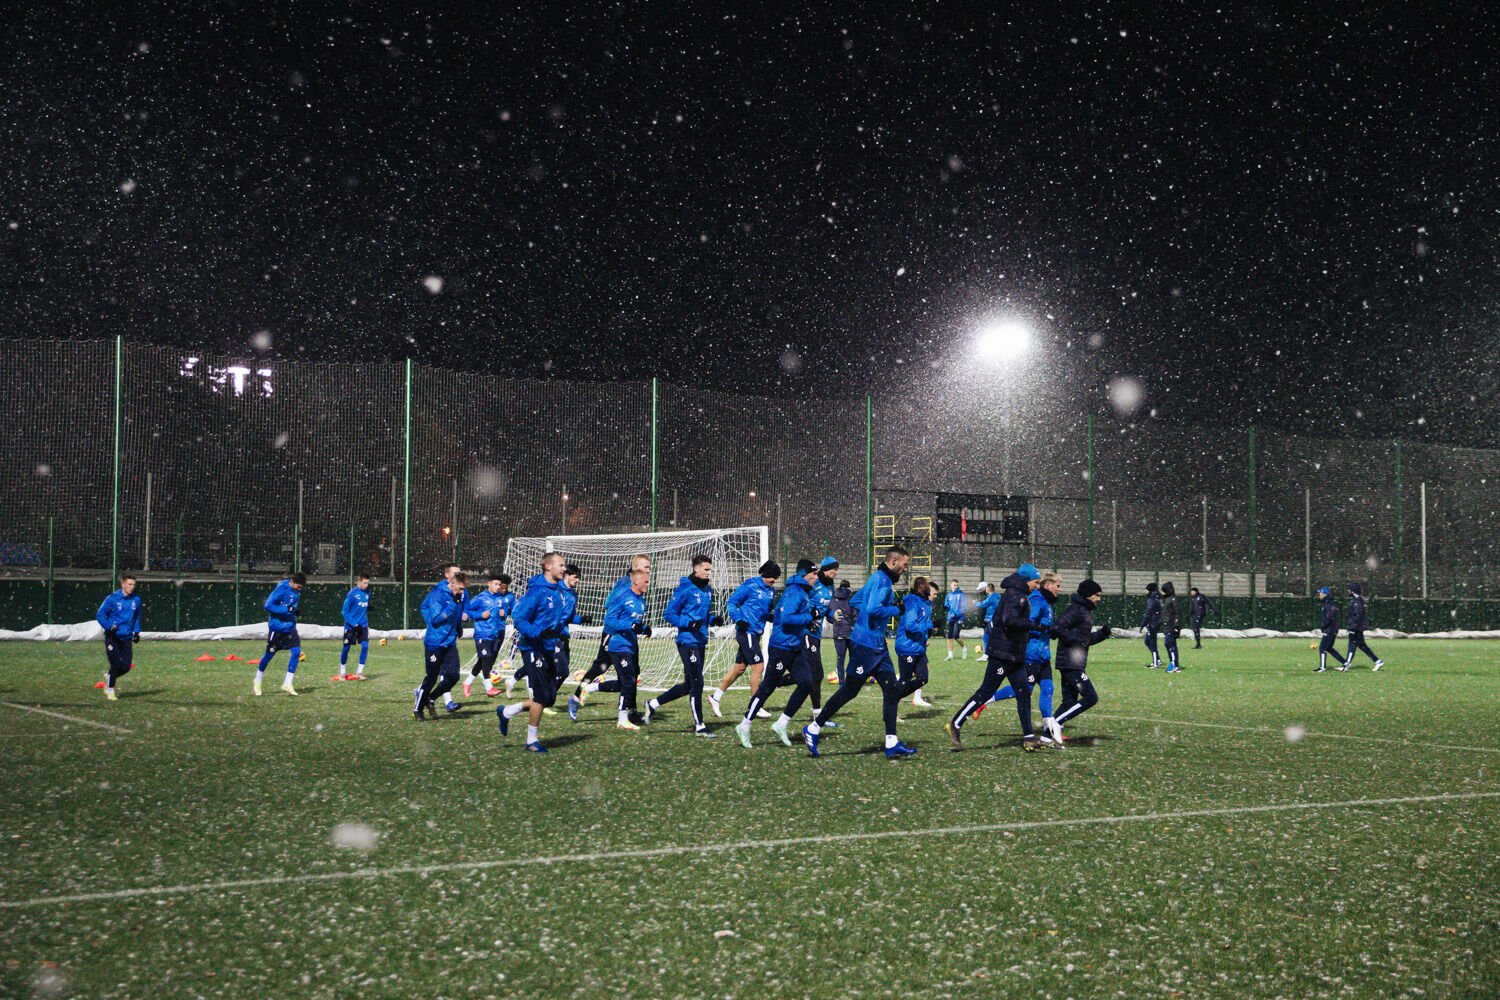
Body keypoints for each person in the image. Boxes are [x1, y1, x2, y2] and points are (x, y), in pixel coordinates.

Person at [802, 546, 916, 759]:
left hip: (877, 646)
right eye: (905, 564)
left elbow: (856, 602)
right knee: (850, 691)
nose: (906, 568)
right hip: (865, 646)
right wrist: (897, 610)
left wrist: (867, 622)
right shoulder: (883, 581)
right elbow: (873, 609)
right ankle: (813, 727)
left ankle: (891, 743)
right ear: (893, 561)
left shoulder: (878, 578)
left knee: (891, 689)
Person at [946, 564, 1042, 752]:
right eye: (1036, 582)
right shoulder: (1017, 595)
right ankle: (955, 723)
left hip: (1013, 654)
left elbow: (1012, 623)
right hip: (1003, 654)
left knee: (1023, 694)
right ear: (1026, 580)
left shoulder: (1017, 594)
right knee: (985, 692)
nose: (1037, 586)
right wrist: (1035, 627)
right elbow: (1010, 620)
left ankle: (1029, 737)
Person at [737, 558, 820, 748]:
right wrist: (809, 617)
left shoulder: (803, 591)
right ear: (803, 574)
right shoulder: (794, 592)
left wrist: (810, 620)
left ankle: (781, 723)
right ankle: (744, 725)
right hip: (781, 647)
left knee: (807, 683)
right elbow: (786, 618)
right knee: (767, 687)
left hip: (793, 646)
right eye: (813, 573)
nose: (816, 577)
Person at [976, 571, 1061, 744]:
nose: (1059, 589)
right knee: (1024, 691)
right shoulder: (1037, 600)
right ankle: (985, 701)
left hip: (1043, 655)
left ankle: (1048, 731)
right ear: (1047, 585)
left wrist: (1051, 631)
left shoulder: (1045, 602)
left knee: (1048, 689)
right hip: (1031, 655)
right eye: (1057, 586)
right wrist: (1043, 629)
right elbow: (1025, 624)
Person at [496, 552, 569, 752]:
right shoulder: (537, 591)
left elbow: (553, 621)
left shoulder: (557, 591)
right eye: (561, 565)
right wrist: (537, 632)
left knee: (549, 698)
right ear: (547, 567)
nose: (564, 569)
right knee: (541, 697)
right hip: (532, 648)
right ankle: (531, 741)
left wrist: (561, 632)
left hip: (548, 647)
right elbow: (519, 619)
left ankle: (508, 712)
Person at [644, 554, 720, 736]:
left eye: (710, 569)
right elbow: (669, 614)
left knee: (689, 685)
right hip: (687, 641)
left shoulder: (708, 591)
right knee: (697, 682)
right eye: (706, 569)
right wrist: (688, 624)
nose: (709, 573)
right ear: (696, 568)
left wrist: (712, 619)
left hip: (700, 641)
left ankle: (652, 704)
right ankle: (700, 725)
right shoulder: (684, 589)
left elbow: (701, 616)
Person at [707, 561, 781, 718]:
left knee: (739, 669)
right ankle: (756, 706)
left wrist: (771, 617)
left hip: (756, 633)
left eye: (776, 578)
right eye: (772, 578)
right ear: (765, 574)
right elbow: (732, 602)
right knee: (759, 668)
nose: (774, 581)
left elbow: (764, 611)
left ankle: (715, 698)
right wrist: (738, 619)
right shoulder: (750, 585)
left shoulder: (771, 591)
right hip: (746, 632)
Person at [567, 555, 646, 698]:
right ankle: (578, 695)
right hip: (613, 634)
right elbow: (608, 606)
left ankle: (629, 711)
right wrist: (625, 620)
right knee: (600, 667)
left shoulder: (640, 586)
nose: (648, 570)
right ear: (635, 568)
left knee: (632, 675)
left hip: (628, 636)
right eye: (645, 567)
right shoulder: (624, 584)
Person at [1050, 580, 1113, 733]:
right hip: (1070, 663)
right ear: (1087, 595)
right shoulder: (1076, 610)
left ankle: (1049, 732)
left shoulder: (1083, 611)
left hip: (1072, 663)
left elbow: (1085, 641)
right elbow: (1056, 627)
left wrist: (1102, 634)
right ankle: (1055, 723)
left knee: (1069, 702)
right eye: (1097, 595)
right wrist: (1075, 640)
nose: (1099, 599)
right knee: (1091, 698)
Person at [595, 565, 650, 730]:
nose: (648, 584)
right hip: (618, 646)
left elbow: (635, 624)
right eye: (646, 581)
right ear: (636, 581)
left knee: (627, 681)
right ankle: (622, 719)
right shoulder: (622, 596)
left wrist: (644, 629)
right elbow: (609, 621)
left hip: (630, 646)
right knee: (628, 681)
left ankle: (590, 688)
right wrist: (630, 625)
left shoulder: (642, 602)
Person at [415, 571, 467, 718]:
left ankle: (431, 698)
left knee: (454, 676)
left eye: (464, 589)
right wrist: (452, 605)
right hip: (435, 643)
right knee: (431, 678)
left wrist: (458, 626)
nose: (462, 592)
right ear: (452, 583)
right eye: (460, 588)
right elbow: (437, 619)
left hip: (449, 643)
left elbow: (456, 614)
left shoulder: (456, 597)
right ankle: (417, 710)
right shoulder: (439, 594)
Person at [254, 572, 305, 696]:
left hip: (290, 628)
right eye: (298, 587)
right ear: (291, 582)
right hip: (277, 629)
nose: (299, 590)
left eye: (301, 588)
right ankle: (258, 680)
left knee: (297, 652)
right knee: (269, 656)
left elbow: (290, 606)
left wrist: (293, 612)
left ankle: (287, 683)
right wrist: (286, 610)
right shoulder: (282, 589)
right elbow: (268, 606)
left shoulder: (296, 590)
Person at [464, 574, 513, 698]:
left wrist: (504, 613)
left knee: (483, 661)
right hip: (482, 633)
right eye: (496, 584)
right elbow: (467, 611)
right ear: (489, 584)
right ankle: (489, 687)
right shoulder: (480, 598)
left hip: (494, 634)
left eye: (499, 585)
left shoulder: (499, 599)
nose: (498, 587)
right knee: (486, 658)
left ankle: (467, 682)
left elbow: (504, 611)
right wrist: (480, 614)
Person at [95, 573, 142, 701]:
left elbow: (137, 616)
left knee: (126, 667)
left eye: (133, 584)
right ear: (123, 584)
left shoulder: (136, 599)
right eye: (129, 584)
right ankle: (110, 690)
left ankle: (110, 677)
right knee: (115, 664)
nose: (132, 587)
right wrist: (109, 626)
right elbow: (99, 615)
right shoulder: (112, 599)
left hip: (126, 637)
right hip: (112, 637)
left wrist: (136, 632)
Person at [895, 575, 936, 709]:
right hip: (907, 647)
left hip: (918, 647)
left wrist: (928, 630)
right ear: (920, 587)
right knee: (905, 680)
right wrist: (928, 626)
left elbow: (923, 624)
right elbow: (910, 626)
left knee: (923, 678)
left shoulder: (923, 603)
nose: (929, 588)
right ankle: (893, 700)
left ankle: (895, 697)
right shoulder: (912, 602)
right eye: (926, 585)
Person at [1342, 582, 1385, 671]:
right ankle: (1377, 661)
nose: (1348, 591)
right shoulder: (1358, 600)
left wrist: (1352, 627)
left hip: (1356, 627)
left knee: (1352, 645)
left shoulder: (1356, 601)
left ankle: (1347, 664)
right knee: (1362, 645)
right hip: (1358, 627)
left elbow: (1357, 615)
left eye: (1349, 589)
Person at [338, 574, 372, 681]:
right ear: (359, 582)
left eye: (367, 583)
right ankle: (343, 673)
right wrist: (354, 624)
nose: (366, 585)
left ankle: (360, 672)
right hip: (351, 626)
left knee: (365, 646)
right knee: (346, 648)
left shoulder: (368, 593)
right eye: (364, 583)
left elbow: (364, 607)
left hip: (363, 625)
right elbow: (344, 611)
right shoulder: (352, 594)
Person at [829, 578, 854, 683]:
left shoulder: (833, 598)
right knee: (853, 658)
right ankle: (852, 681)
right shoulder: (853, 597)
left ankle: (842, 683)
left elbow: (829, 616)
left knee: (840, 659)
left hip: (838, 632)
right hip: (851, 632)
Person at [1314, 586, 1341, 673]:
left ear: (1324, 594)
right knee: (1329, 648)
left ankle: (1322, 667)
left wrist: (1323, 626)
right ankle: (1345, 663)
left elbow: (1328, 618)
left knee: (1322, 648)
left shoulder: (1328, 604)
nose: (1319, 595)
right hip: (1332, 629)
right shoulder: (1328, 603)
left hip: (1330, 630)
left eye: (1320, 593)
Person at [1160, 581, 1183, 673]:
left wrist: (1177, 626)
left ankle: (1173, 664)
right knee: (1170, 645)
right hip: (1167, 626)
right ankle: (1175, 664)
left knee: (1169, 644)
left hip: (1171, 627)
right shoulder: (1167, 600)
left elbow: (1178, 613)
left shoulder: (1173, 599)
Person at [1140, 582, 1163, 669]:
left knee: (1152, 643)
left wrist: (1143, 623)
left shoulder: (1151, 599)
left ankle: (1155, 663)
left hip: (1153, 623)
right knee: (1148, 641)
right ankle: (1157, 659)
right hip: (1156, 622)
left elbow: (1148, 613)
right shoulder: (1158, 598)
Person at [943, 580, 967, 660]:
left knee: (956, 635)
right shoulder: (948, 595)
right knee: (949, 636)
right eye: (954, 585)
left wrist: (958, 614)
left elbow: (964, 607)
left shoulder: (961, 595)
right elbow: (946, 605)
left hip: (959, 617)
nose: (955, 586)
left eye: (957, 585)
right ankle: (950, 655)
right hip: (951, 617)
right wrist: (946, 607)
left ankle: (964, 647)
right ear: (951, 585)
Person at [976, 582, 1000, 656]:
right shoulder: (998, 595)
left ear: (989, 589)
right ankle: (986, 655)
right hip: (991, 620)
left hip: (992, 620)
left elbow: (983, 604)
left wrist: (975, 603)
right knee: (985, 636)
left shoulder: (991, 597)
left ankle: (995, 655)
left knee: (993, 638)